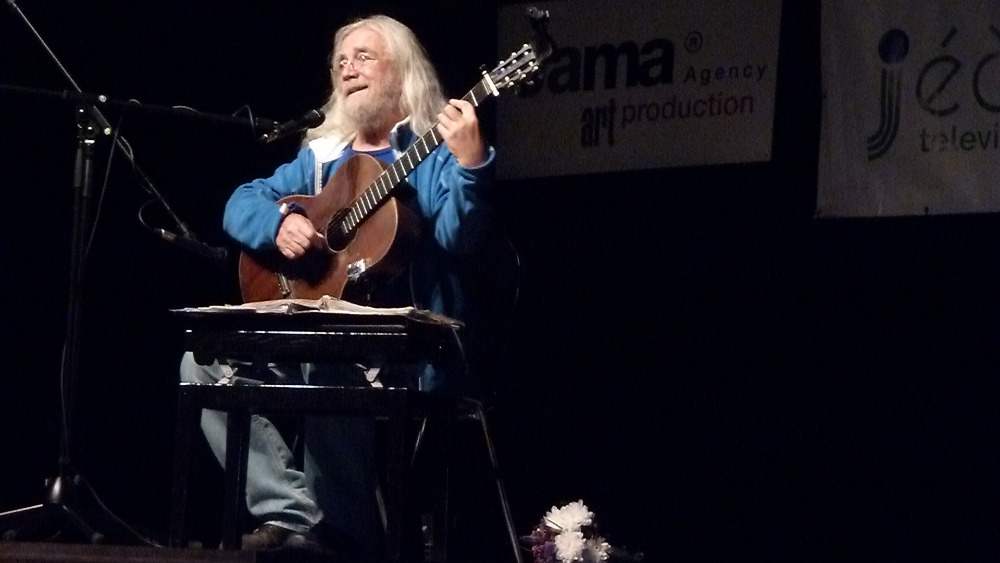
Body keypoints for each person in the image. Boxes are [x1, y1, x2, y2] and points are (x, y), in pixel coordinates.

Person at [179, 14, 494, 560]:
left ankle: (345, 536)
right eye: (341, 61)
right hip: (316, 338)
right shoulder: (322, 156)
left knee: (330, 353)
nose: (348, 68)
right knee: (200, 364)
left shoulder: (432, 152)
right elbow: (239, 203)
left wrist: (470, 166)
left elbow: (459, 237)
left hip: (406, 356)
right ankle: (290, 512)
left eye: (364, 57)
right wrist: (278, 224)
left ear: (403, 71)